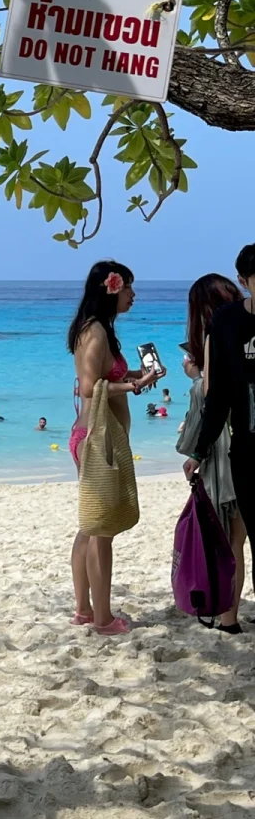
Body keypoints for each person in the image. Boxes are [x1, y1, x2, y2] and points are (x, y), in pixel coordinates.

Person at [69, 261, 162, 634]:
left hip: (91, 436)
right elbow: (91, 387)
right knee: (102, 529)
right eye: (129, 289)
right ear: (111, 289)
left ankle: (83, 609)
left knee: (90, 526)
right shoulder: (96, 334)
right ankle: (103, 618)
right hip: (97, 439)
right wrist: (135, 386)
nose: (133, 295)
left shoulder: (95, 330)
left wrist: (141, 376)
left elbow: (107, 378)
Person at [185, 246, 255, 628]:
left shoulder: (221, 331)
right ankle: (231, 615)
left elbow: (213, 394)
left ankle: (229, 617)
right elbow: (225, 394)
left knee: (233, 538)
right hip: (243, 444)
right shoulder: (232, 326)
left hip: (233, 449)